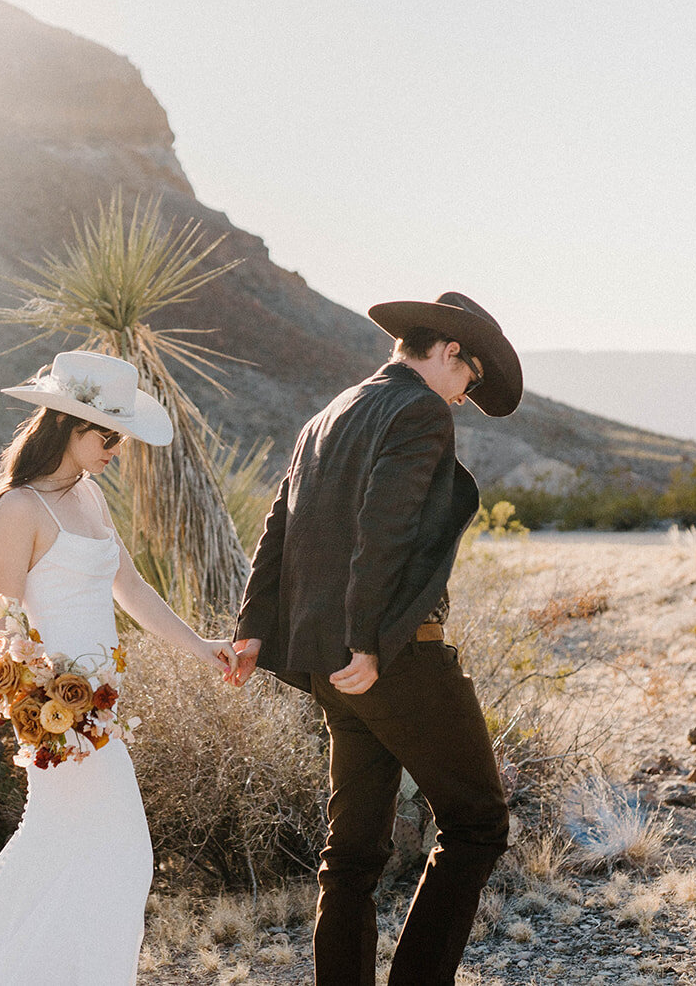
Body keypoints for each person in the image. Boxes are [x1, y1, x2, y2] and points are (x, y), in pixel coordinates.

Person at [0, 349, 238, 986]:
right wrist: (43, 711)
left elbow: (131, 588)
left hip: (98, 712)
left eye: (119, 437)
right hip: (59, 720)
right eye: (107, 435)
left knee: (80, 857)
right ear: (67, 426)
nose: (115, 448)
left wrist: (202, 646)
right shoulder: (19, 509)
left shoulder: (89, 497)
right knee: (113, 856)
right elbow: (2, 622)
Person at [230, 292, 523, 986]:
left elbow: (278, 526)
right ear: (449, 350)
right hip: (390, 657)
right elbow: (383, 526)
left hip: (330, 667)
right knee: (477, 822)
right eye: (470, 379)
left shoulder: (327, 414)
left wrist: (251, 628)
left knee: (352, 854)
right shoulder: (416, 408)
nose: (462, 397)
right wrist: (367, 639)